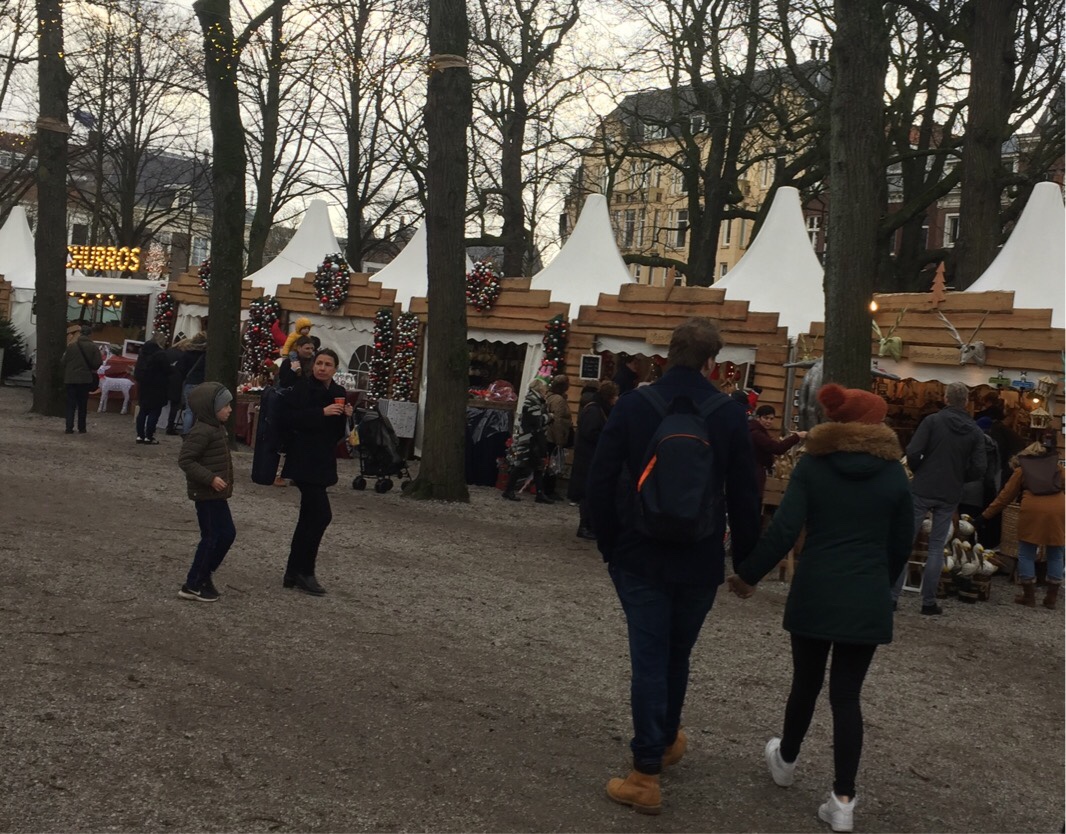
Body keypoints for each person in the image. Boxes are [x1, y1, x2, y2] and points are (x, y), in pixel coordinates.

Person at [587, 318, 761, 815]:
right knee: (677, 654)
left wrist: (611, 545)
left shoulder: (634, 405)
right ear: (711, 362)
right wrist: (746, 565)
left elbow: (600, 479)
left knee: (649, 658)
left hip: (639, 554)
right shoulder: (730, 414)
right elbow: (744, 495)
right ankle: (663, 741)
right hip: (699, 557)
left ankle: (645, 774)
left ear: (666, 354)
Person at [727, 383, 913, 834]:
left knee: (805, 683)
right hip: (866, 594)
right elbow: (901, 542)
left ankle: (786, 759)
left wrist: (749, 574)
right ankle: (843, 799)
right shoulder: (894, 475)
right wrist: (879, 583)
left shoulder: (813, 465)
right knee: (847, 696)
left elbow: (785, 527)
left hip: (816, 588)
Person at [892, 381, 985, 616]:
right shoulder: (974, 431)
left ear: (945, 398)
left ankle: (892, 597)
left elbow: (913, 451)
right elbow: (979, 467)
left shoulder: (932, 421)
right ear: (966, 402)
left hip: (923, 487)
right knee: (936, 547)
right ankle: (928, 602)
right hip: (950, 491)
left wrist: (920, 470)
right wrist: (960, 477)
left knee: (905, 542)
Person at [279, 348, 353, 596]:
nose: (322, 368)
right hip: (303, 458)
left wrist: (345, 416)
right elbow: (288, 418)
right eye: (319, 363)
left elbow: (336, 434)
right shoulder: (303, 387)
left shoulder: (338, 392)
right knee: (321, 515)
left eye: (327, 364)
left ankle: (293, 571)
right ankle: (305, 571)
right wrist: (321, 412)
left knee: (308, 518)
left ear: (335, 368)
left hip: (323, 459)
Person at [982, 436, 1064, 609]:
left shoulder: (1022, 470)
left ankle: (1029, 596)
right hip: (1058, 508)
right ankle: (1051, 598)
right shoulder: (1057, 468)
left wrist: (984, 516)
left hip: (1032, 509)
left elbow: (1004, 498)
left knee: (1027, 552)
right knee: (1056, 552)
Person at [176, 382, 236, 602]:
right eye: (225, 406)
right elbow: (186, 460)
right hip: (206, 494)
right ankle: (193, 583)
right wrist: (210, 478)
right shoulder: (202, 431)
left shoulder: (217, 428)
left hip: (217, 495)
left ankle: (204, 574)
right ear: (212, 408)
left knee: (227, 534)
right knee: (211, 537)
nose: (230, 410)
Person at [568, 380, 619, 540]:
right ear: (609, 396)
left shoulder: (598, 409)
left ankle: (589, 525)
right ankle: (584, 526)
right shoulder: (594, 410)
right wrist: (606, 439)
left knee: (590, 493)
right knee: (587, 493)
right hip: (587, 458)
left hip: (590, 457)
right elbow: (590, 432)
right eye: (615, 395)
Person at [502, 378, 554, 503]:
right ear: (540, 389)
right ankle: (509, 490)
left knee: (537, 466)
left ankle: (539, 493)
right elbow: (536, 420)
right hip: (529, 439)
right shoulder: (532, 401)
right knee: (521, 465)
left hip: (533, 438)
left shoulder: (535, 400)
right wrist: (549, 416)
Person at [749, 404, 807, 500]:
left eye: (771, 419)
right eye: (766, 418)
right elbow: (777, 448)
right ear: (758, 418)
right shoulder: (756, 434)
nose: (768, 421)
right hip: (753, 477)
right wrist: (797, 436)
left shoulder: (758, 431)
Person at [61, 324, 101, 434]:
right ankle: (82, 427)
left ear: (80, 333)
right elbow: (98, 363)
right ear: (90, 334)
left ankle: (69, 427)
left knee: (70, 404)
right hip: (85, 380)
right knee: (82, 405)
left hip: (70, 379)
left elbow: (63, 361)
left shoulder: (71, 346)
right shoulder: (93, 347)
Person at [133, 340, 172, 445]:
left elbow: (137, 373)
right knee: (154, 412)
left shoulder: (142, 356)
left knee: (142, 411)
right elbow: (167, 370)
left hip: (144, 386)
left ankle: (140, 435)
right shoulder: (161, 355)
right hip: (158, 387)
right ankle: (149, 436)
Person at [542, 375, 573, 501]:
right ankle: (548, 490)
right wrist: (560, 439)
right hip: (553, 437)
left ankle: (546, 489)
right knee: (553, 464)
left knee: (550, 463)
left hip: (549, 435)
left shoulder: (551, 396)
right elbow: (557, 420)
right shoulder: (558, 400)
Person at [178, 333, 208, 435]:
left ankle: (186, 434)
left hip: (190, 382)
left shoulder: (187, 353)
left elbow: (180, 368)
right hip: (202, 384)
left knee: (189, 411)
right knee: (201, 411)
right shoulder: (206, 355)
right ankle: (197, 434)